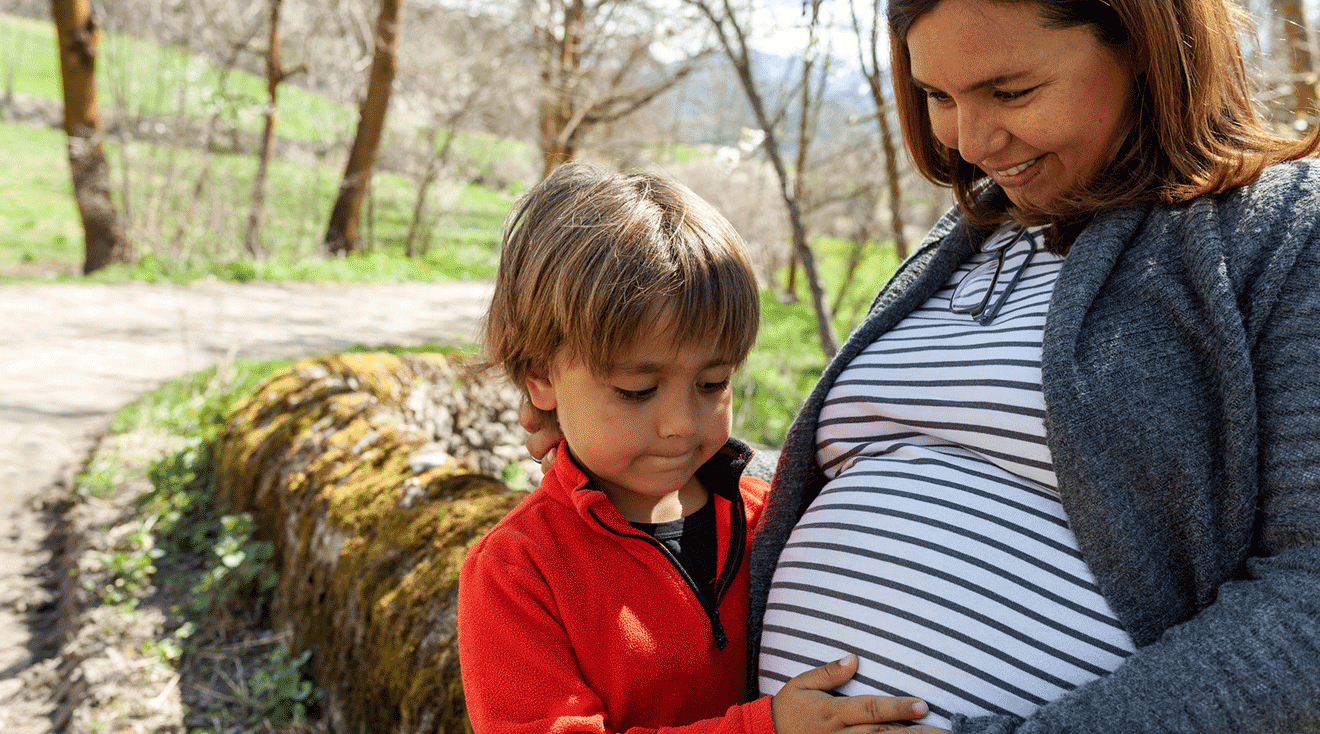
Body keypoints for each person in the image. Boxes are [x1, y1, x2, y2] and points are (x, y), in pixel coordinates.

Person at [527, 1, 1320, 731]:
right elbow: (893, 474)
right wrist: (625, 436)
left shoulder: (1278, 235)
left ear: (1145, 45)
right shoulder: (966, 242)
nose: (970, 142)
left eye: (1010, 91)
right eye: (939, 96)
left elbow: (1307, 600)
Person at [458, 161, 930, 734]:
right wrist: (763, 730)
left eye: (713, 384)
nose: (682, 425)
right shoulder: (519, 572)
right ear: (541, 378)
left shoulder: (768, 512)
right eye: (637, 390)